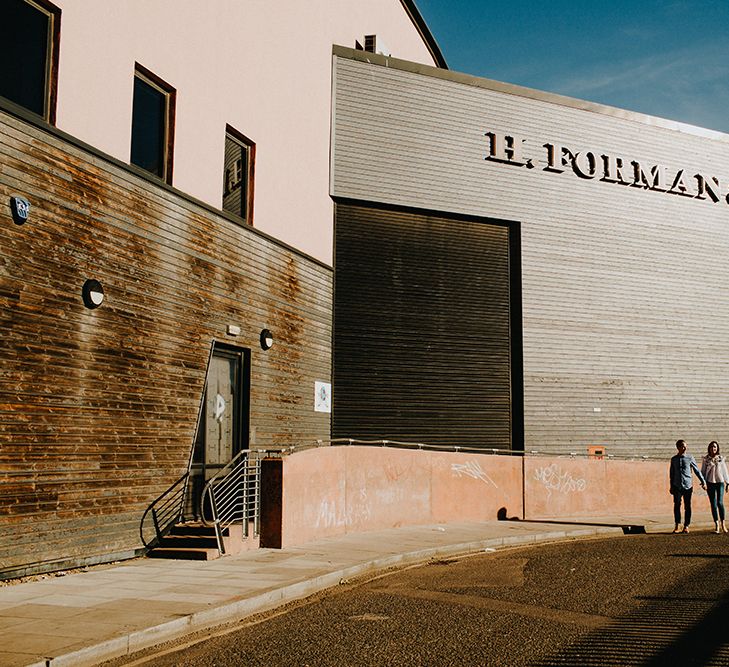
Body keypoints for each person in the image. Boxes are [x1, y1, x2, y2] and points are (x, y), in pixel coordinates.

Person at [669, 439, 706, 533]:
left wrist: (703, 481)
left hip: (687, 485)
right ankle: (677, 525)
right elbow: (671, 474)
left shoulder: (690, 458)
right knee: (677, 505)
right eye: (682, 446)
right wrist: (671, 486)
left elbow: (697, 470)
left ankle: (686, 525)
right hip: (677, 485)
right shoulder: (674, 459)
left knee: (687, 506)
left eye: (685, 446)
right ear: (678, 447)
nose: (685, 448)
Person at [701, 441, 729, 533]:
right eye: (712, 447)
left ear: (717, 449)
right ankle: (716, 525)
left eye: (715, 447)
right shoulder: (706, 459)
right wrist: (703, 482)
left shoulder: (720, 458)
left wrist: (727, 482)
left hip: (720, 482)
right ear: (709, 448)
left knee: (720, 503)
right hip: (710, 483)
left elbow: (724, 471)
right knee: (713, 504)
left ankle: (723, 524)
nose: (713, 448)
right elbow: (703, 472)